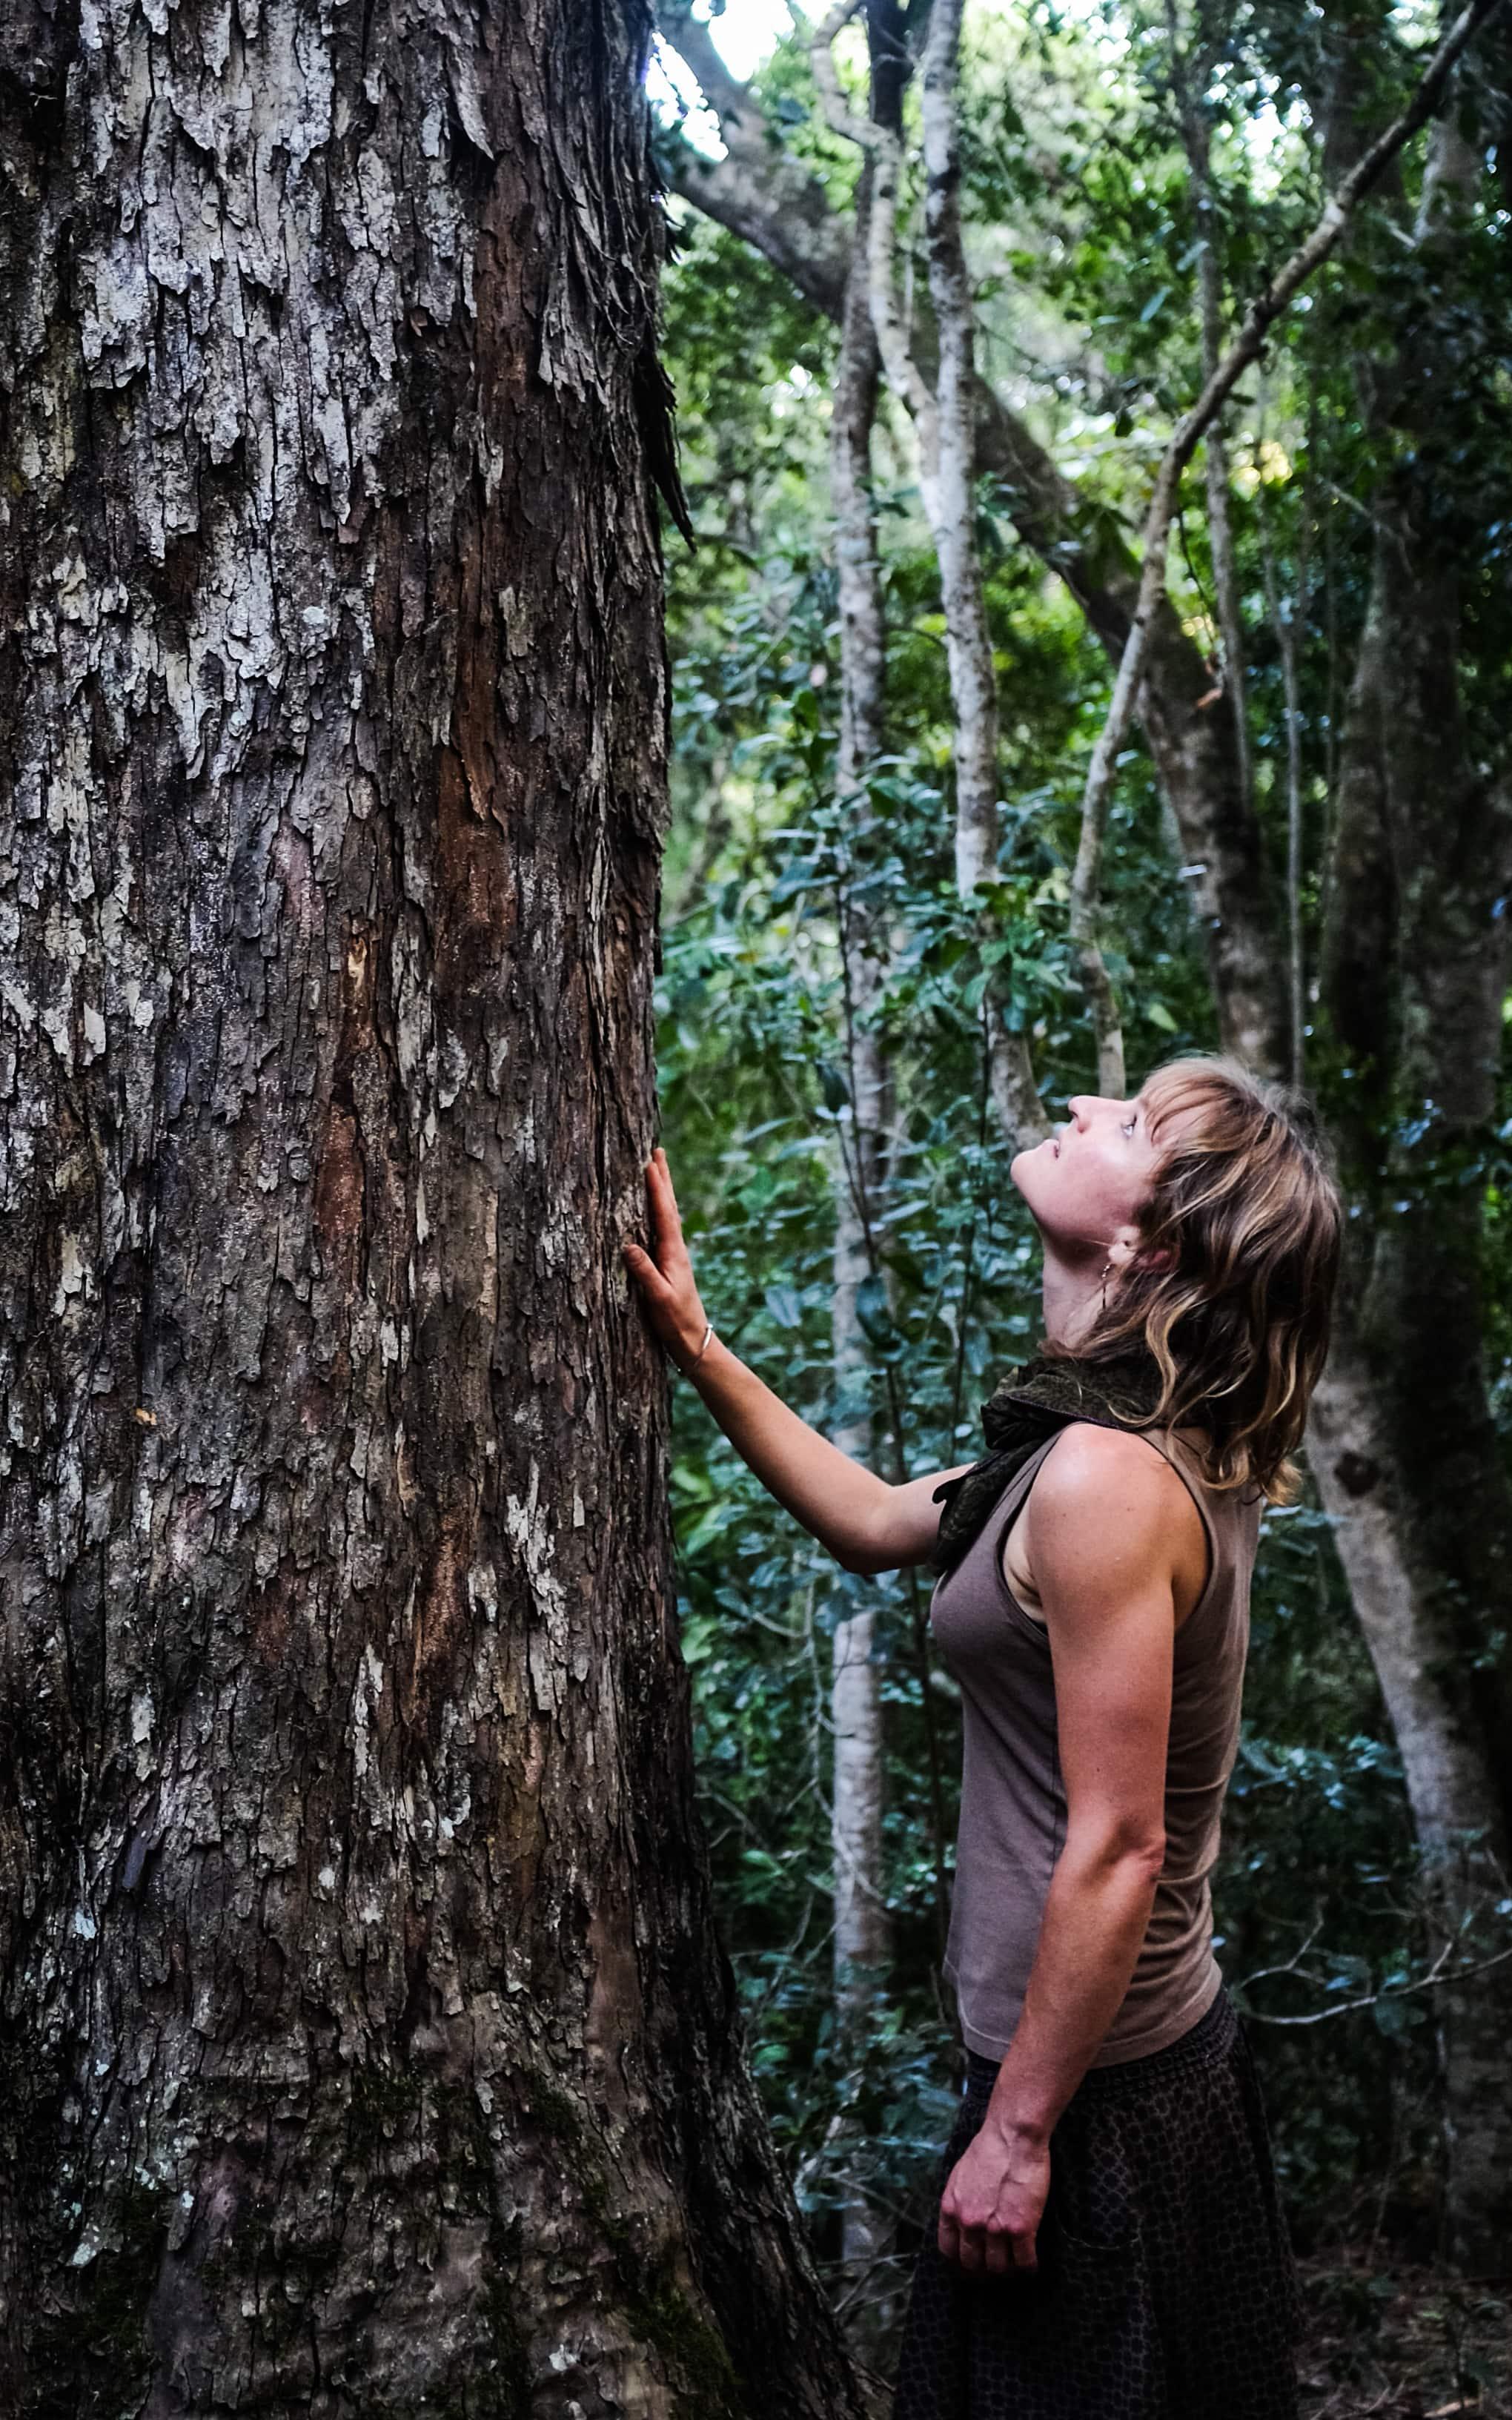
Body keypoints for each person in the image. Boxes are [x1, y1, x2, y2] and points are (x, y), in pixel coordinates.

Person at [623, 1054, 1342, 2420]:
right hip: (1105, 2073)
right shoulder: (1106, 1441)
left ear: (1149, 1240)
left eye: (1126, 1122)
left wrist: (1018, 2134)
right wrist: (697, 1346)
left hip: (1094, 2102)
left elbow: (1122, 1844)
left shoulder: (1105, 1482)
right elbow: (877, 1521)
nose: (1080, 1106)